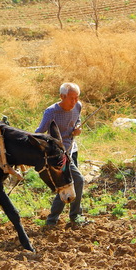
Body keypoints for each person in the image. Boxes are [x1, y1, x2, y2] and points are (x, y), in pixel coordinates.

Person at [36, 82, 86, 226]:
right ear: (62, 97)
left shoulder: (78, 106)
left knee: (67, 185)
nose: (74, 101)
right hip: (59, 155)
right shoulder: (51, 112)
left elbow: (77, 120)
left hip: (72, 150)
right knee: (78, 180)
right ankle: (74, 216)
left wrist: (77, 128)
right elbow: (40, 132)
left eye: (77, 98)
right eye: (71, 98)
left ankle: (54, 219)